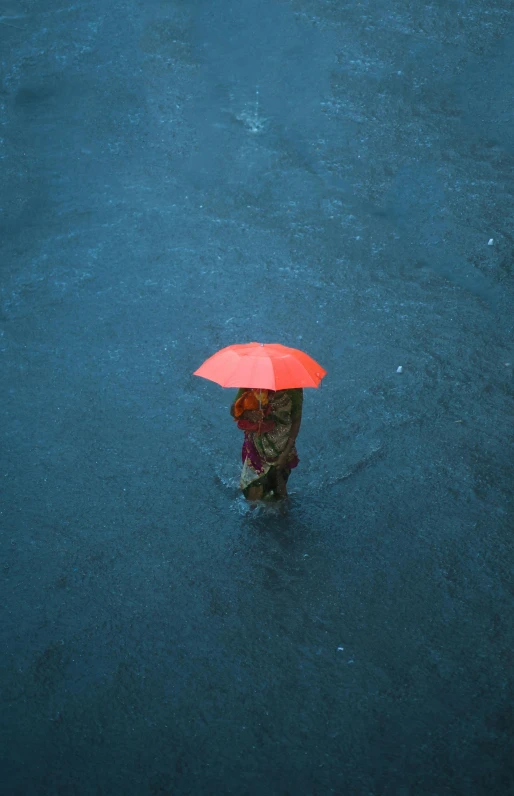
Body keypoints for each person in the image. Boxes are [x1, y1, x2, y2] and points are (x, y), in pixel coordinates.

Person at [230, 387, 303, 501]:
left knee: (279, 495)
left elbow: (296, 419)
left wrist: (286, 452)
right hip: (256, 448)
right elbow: (234, 410)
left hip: (281, 449)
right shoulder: (253, 382)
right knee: (253, 495)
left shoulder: (293, 388)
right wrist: (248, 414)